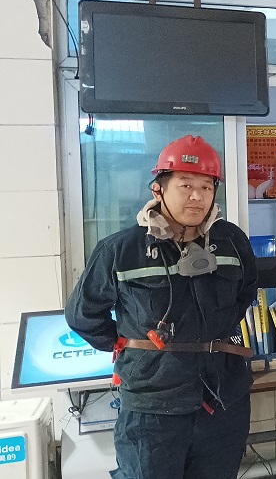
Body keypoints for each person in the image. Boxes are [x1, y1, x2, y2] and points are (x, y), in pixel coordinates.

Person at [65, 135, 258, 479]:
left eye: (206, 187)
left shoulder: (231, 242)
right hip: (152, 408)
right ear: (159, 189)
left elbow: (245, 293)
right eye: (186, 185)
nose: (197, 196)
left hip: (223, 401)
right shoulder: (121, 250)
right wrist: (135, 349)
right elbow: (84, 315)